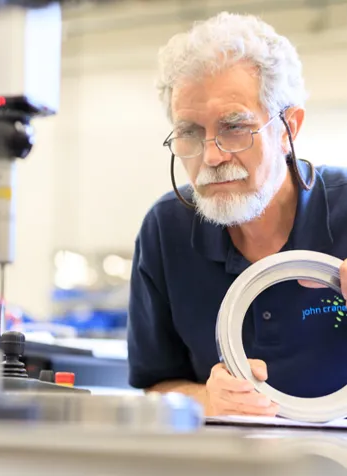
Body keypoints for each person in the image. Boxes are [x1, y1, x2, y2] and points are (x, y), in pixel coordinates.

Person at [127, 11, 347, 417]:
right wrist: (209, 399)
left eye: (234, 128)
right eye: (190, 132)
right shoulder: (166, 230)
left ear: (288, 129)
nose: (211, 156)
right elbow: (156, 385)